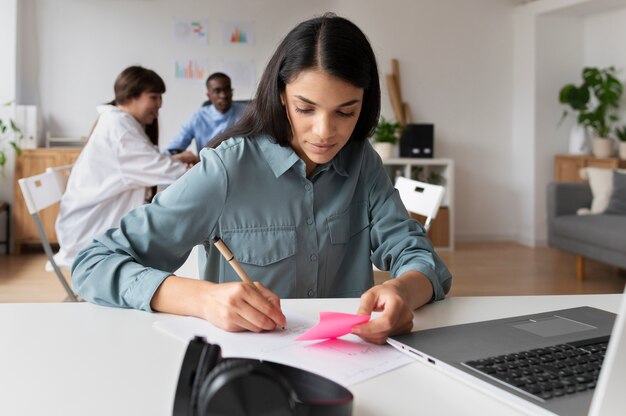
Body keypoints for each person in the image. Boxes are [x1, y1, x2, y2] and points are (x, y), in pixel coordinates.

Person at [72, 14, 452, 345]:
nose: (325, 132)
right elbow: (93, 263)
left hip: (353, 366)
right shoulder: (227, 169)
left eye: (345, 112)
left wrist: (403, 290)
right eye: (306, 108)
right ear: (282, 97)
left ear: (364, 105)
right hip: (250, 377)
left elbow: (421, 258)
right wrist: (204, 300)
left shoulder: (361, 163)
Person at [55, 66, 197, 267]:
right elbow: (166, 172)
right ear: (131, 97)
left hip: (87, 223)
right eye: (154, 97)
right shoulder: (120, 130)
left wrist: (177, 158)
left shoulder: (117, 122)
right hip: (90, 233)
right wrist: (202, 170)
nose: (160, 104)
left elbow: (146, 162)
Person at [164, 72, 247, 155]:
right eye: (217, 91)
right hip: (209, 165)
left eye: (227, 89)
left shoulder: (247, 112)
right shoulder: (198, 117)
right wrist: (183, 157)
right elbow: (173, 148)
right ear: (209, 95)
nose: (223, 95)